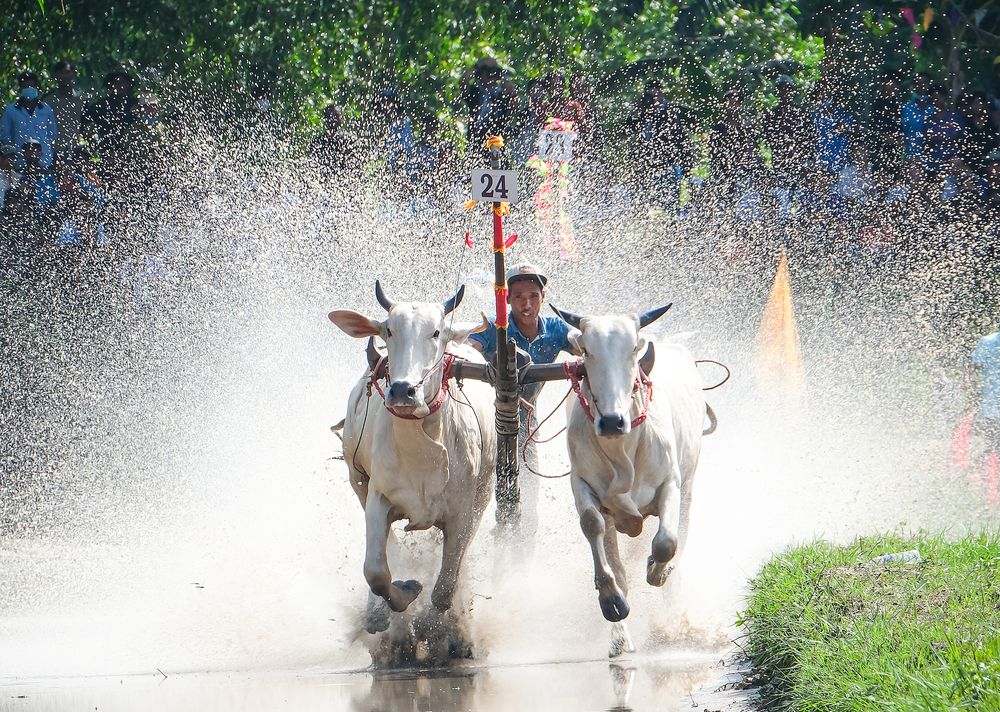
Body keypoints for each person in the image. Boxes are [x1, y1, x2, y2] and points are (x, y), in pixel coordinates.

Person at [469, 264, 574, 540]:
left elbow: (587, 348)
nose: (526, 305)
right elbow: (466, 351)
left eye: (533, 297)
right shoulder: (494, 328)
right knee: (480, 483)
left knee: (530, 488)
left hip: (528, 422)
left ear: (543, 296)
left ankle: (525, 547)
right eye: (517, 297)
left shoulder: (556, 330)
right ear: (507, 299)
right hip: (487, 421)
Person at [0, 72, 56, 170]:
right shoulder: (11, 111)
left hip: (44, 162)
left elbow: (52, 134)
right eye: (25, 86)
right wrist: (17, 152)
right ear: (21, 89)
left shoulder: (46, 109)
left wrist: (42, 150)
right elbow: (4, 136)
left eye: (32, 86)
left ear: (36, 87)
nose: (29, 89)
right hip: (19, 163)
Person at [460, 57, 518, 150]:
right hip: (476, 139)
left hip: (497, 140)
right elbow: (463, 81)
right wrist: (478, 66)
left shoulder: (502, 95)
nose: (490, 75)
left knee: (497, 162)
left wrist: (503, 76)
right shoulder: (475, 92)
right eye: (487, 72)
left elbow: (514, 105)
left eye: (493, 72)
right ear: (480, 74)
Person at [44, 60, 84, 164]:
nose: (64, 76)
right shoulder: (47, 101)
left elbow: (88, 125)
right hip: (53, 151)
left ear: (73, 74)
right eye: (61, 73)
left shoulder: (81, 100)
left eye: (67, 72)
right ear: (56, 76)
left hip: (75, 150)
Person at [308, 104, 362, 175]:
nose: (333, 120)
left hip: (344, 179)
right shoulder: (316, 142)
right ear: (325, 120)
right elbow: (311, 166)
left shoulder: (349, 141)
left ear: (342, 119)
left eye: (336, 116)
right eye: (330, 117)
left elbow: (357, 166)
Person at [972, 330, 1000, 455]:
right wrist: (967, 383)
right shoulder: (987, 342)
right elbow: (973, 366)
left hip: (991, 408)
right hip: (992, 409)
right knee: (994, 447)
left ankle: (979, 463)